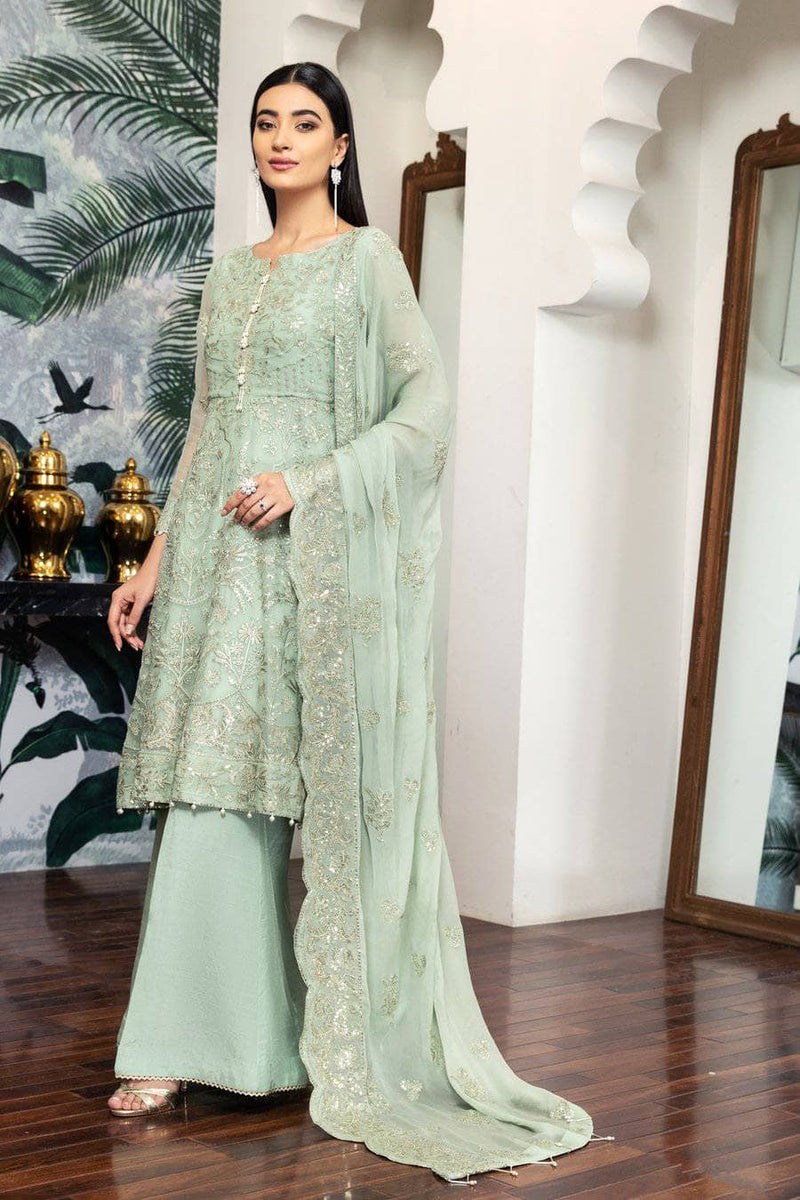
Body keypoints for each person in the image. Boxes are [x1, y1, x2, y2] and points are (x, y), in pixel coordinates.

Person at [104, 61, 610, 1184]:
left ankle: (197, 1047)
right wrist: (153, 567)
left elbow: (426, 411)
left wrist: (312, 481)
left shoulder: (367, 262)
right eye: (264, 123)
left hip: (303, 566)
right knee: (209, 782)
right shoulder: (231, 275)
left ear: (339, 147)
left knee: (238, 788)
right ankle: (231, 1042)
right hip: (214, 567)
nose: (279, 139)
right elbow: (206, 434)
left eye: (304, 123)